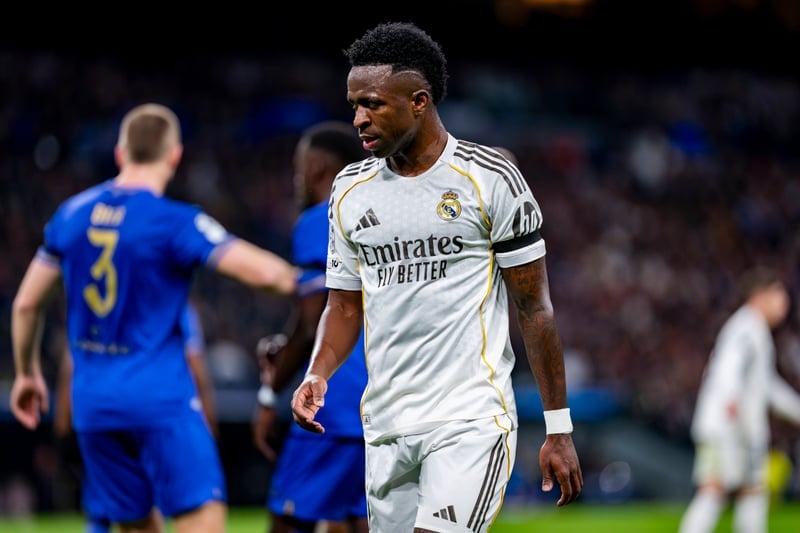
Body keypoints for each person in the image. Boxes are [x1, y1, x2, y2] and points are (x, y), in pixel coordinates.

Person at [290, 22, 582, 533]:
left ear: (419, 102)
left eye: (373, 104)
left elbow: (534, 306)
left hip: (469, 419)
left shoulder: (489, 178)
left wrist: (558, 427)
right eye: (354, 105)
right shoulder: (349, 190)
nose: (358, 119)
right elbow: (344, 306)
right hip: (386, 425)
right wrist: (318, 371)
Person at [10, 102, 297, 533]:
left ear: (120, 153)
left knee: (134, 525)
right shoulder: (175, 221)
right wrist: (312, 279)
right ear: (175, 156)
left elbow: (26, 304)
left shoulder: (71, 214)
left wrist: (26, 373)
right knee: (201, 520)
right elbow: (268, 276)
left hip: (94, 405)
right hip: (160, 399)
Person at [251, 121, 370, 533]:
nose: (297, 179)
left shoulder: (320, 219)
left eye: (298, 169)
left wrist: (269, 394)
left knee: (287, 519)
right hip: (379, 398)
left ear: (317, 167)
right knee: (358, 520)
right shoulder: (374, 218)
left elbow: (311, 322)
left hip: (333, 401)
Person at [54, 300, 217, 533]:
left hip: (98, 409)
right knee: (175, 503)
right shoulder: (173, 304)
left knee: (110, 507)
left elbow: (71, 361)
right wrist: (207, 418)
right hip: (156, 410)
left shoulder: (93, 303)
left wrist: (64, 419)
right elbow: (194, 361)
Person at [679, 267, 800, 533]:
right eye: (779, 296)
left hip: (743, 427)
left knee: (752, 489)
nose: (784, 304)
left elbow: (768, 386)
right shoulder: (746, 327)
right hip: (727, 426)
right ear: (760, 295)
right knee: (714, 488)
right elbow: (729, 366)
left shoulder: (756, 330)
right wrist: (732, 399)